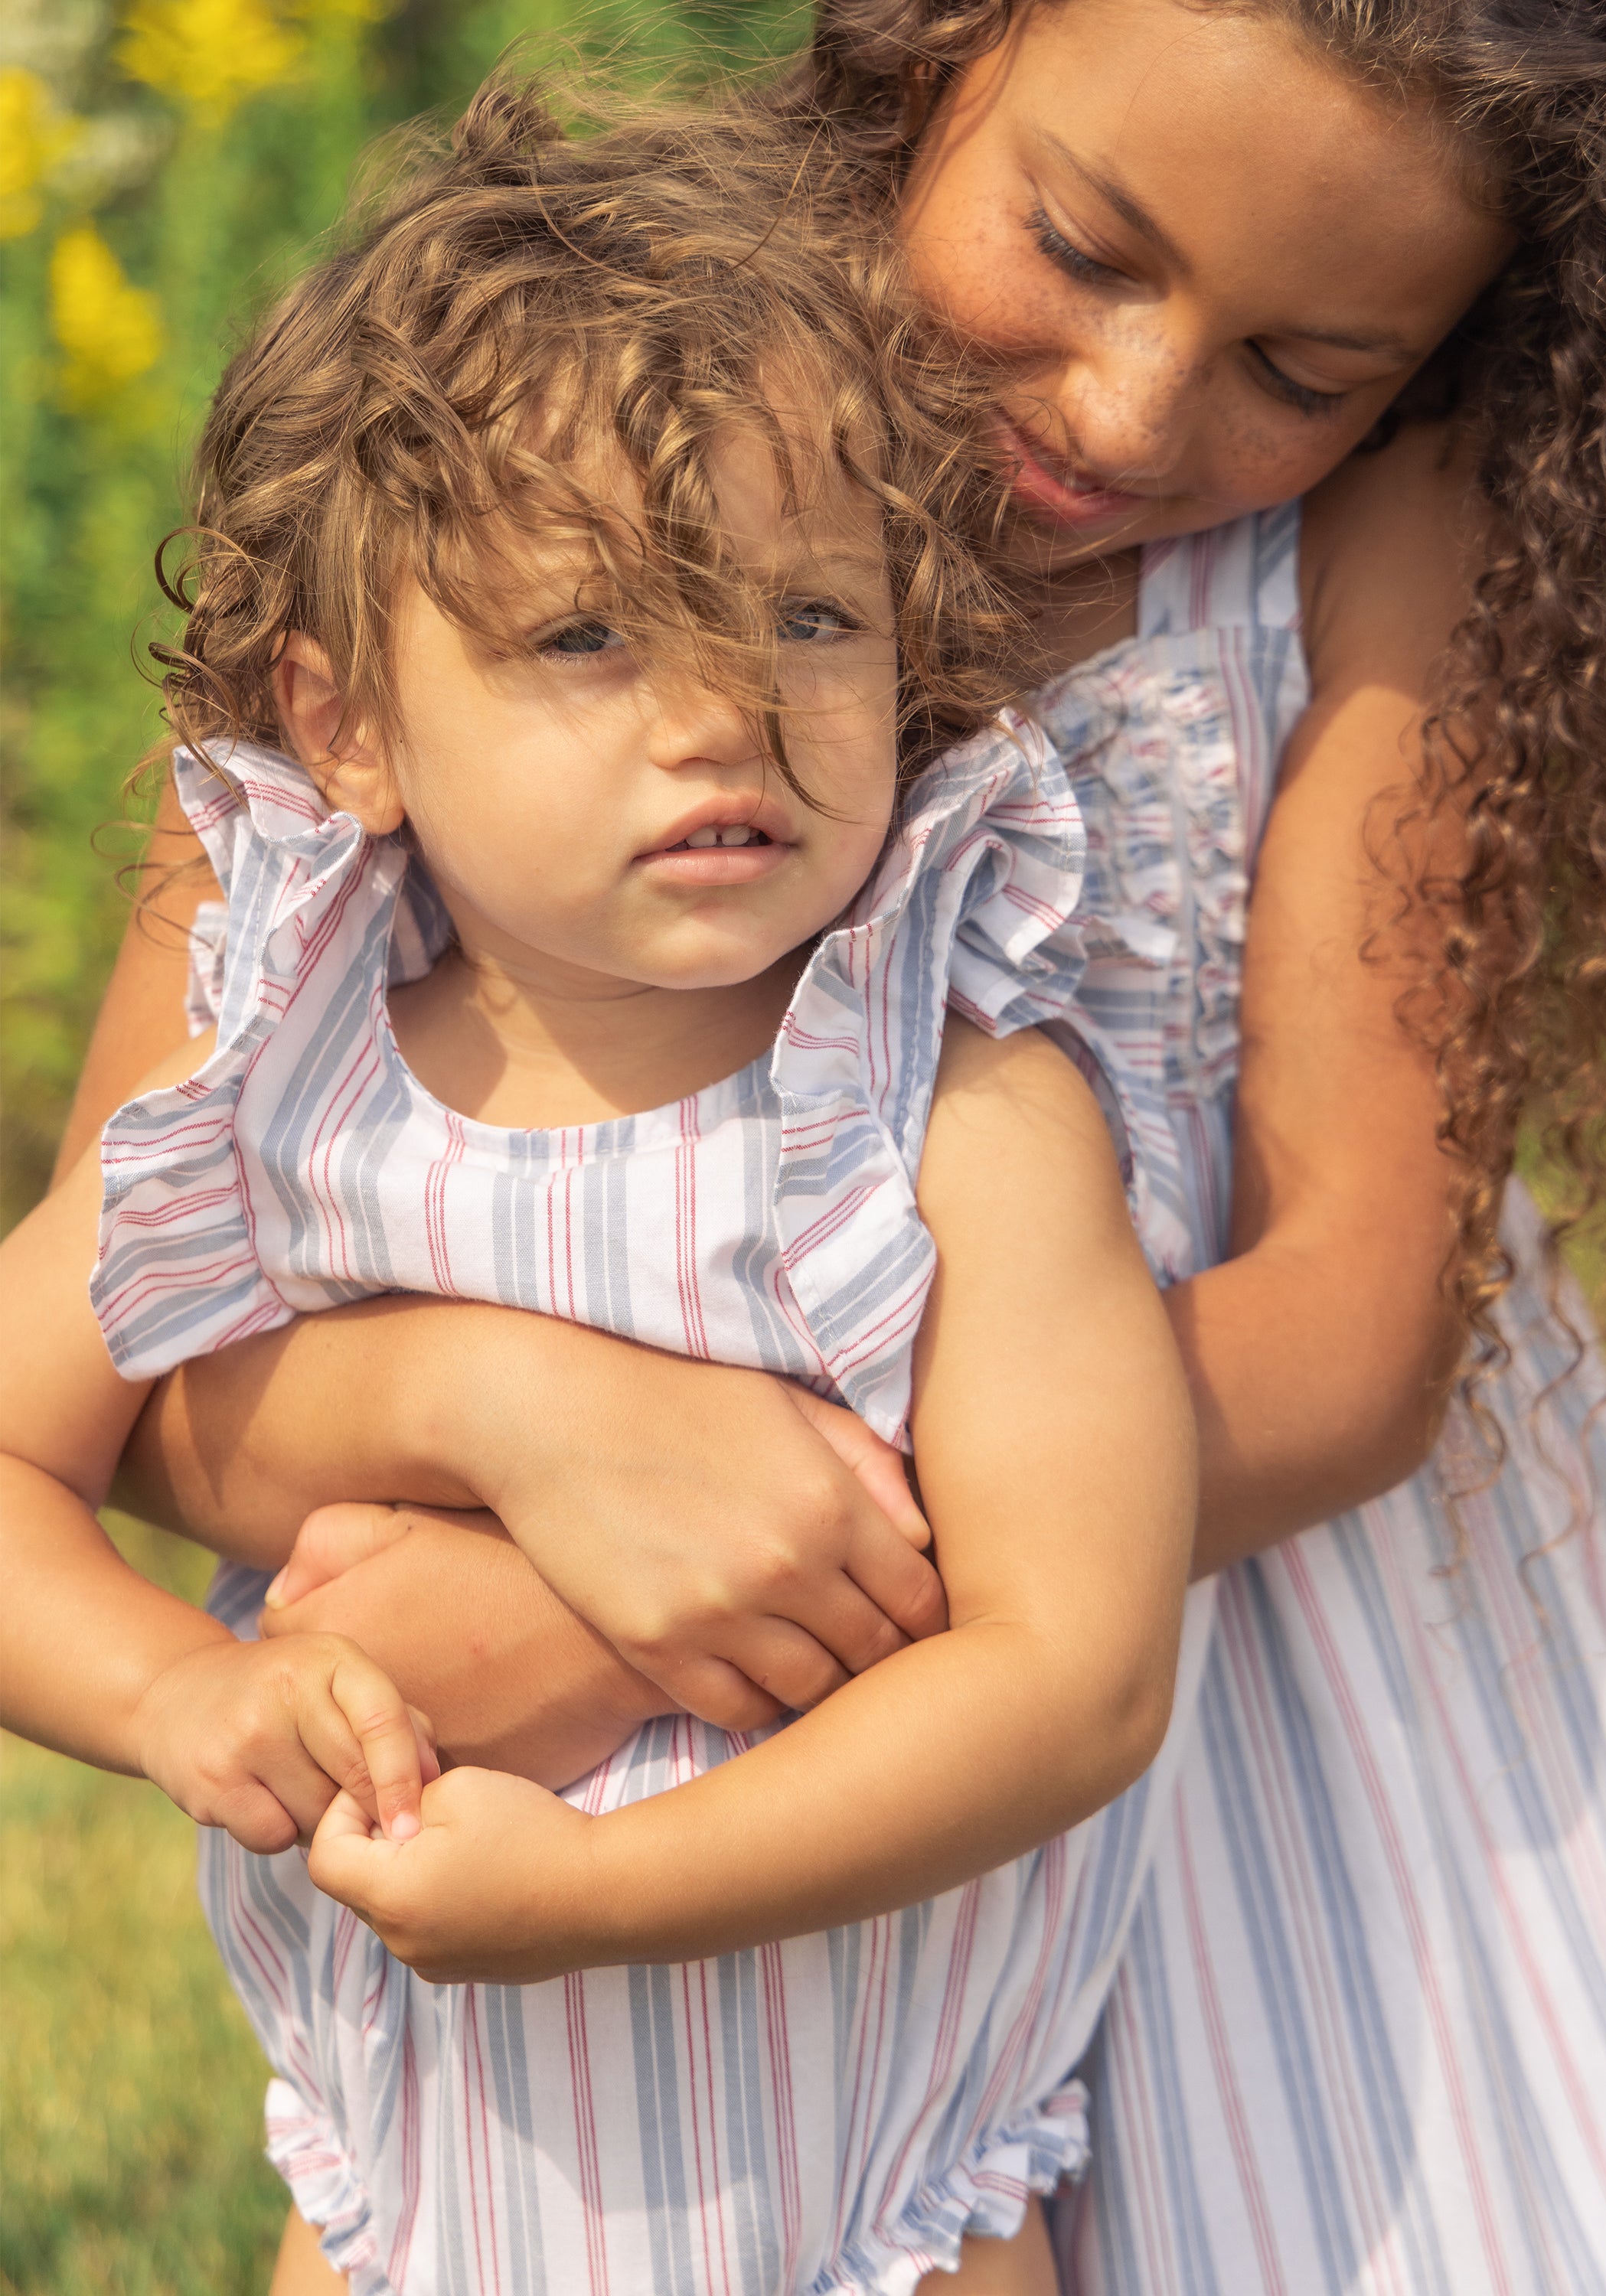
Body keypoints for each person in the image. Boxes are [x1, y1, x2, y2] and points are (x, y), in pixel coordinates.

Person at [56, 0, 1606, 2291]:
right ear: (935, 42)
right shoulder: (512, 427)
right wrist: (500, 1418)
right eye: (1080, 245)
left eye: (1307, 370)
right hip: (643, 1868)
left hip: (1243, 1651)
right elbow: (134, 1306)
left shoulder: (1388, 536)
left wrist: (588, 1609)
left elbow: (1355, 1338)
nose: (1129, 409)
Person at [1, 93, 1213, 2296]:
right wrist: (180, 1695)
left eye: (814, 617)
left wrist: (604, 1899)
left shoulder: (962, 1120)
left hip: (873, 2219)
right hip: (405, 2207)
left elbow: (1079, 1676)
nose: (725, 715)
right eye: (587, 639)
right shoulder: (284, 1081)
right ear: (345, 721)